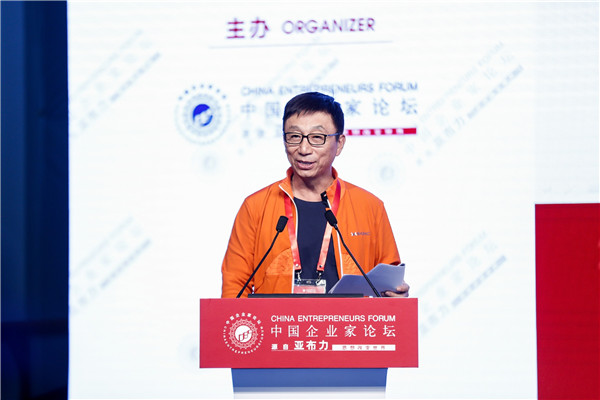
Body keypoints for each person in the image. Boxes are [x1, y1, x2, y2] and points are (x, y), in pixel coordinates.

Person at [221, 92, 409, 298]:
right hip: (276, 320)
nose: (303, 149)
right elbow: (234, 287)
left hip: (348, 320)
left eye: (317, 138)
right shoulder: (255, 207)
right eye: (294, 136)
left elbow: (389, 282)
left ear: (340, 144)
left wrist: (396, 295)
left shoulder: (369, 206)